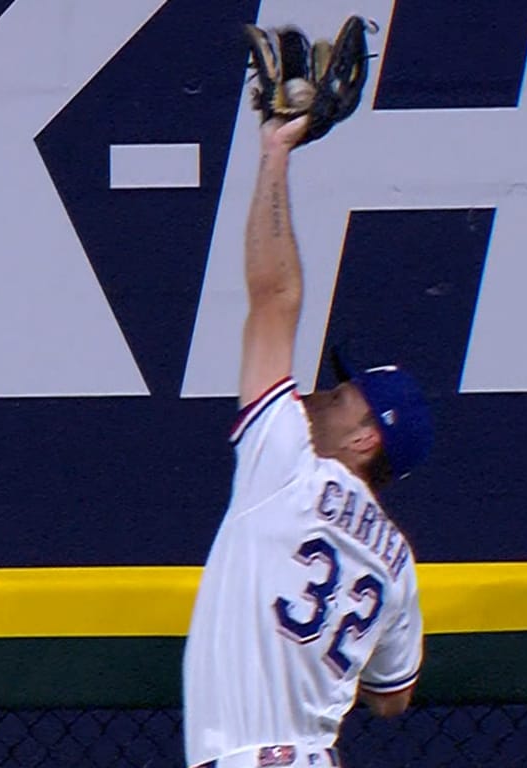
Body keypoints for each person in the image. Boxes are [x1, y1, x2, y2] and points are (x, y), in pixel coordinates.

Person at [180, 105, 434, 767]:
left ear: (365, 440)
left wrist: (274, 152)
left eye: (343, 395)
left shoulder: (288, 463)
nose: (320, 395)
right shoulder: (397, 564)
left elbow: (273, 296)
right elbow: (392, 698)